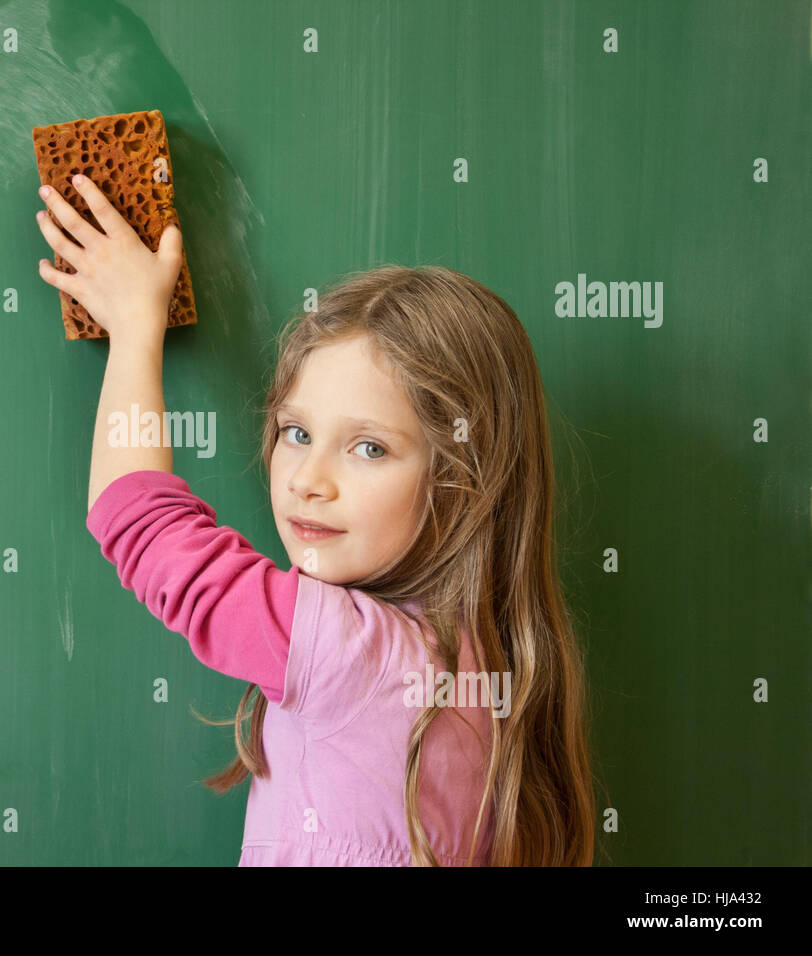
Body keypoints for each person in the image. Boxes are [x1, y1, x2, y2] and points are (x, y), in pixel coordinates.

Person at [36, 173, 595, 866]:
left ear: (462, 482)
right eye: (296, 433)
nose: (308, 480)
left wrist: (133, 329)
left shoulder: (354, 655)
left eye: (368, 448)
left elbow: (140, 522)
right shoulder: (488, 664)